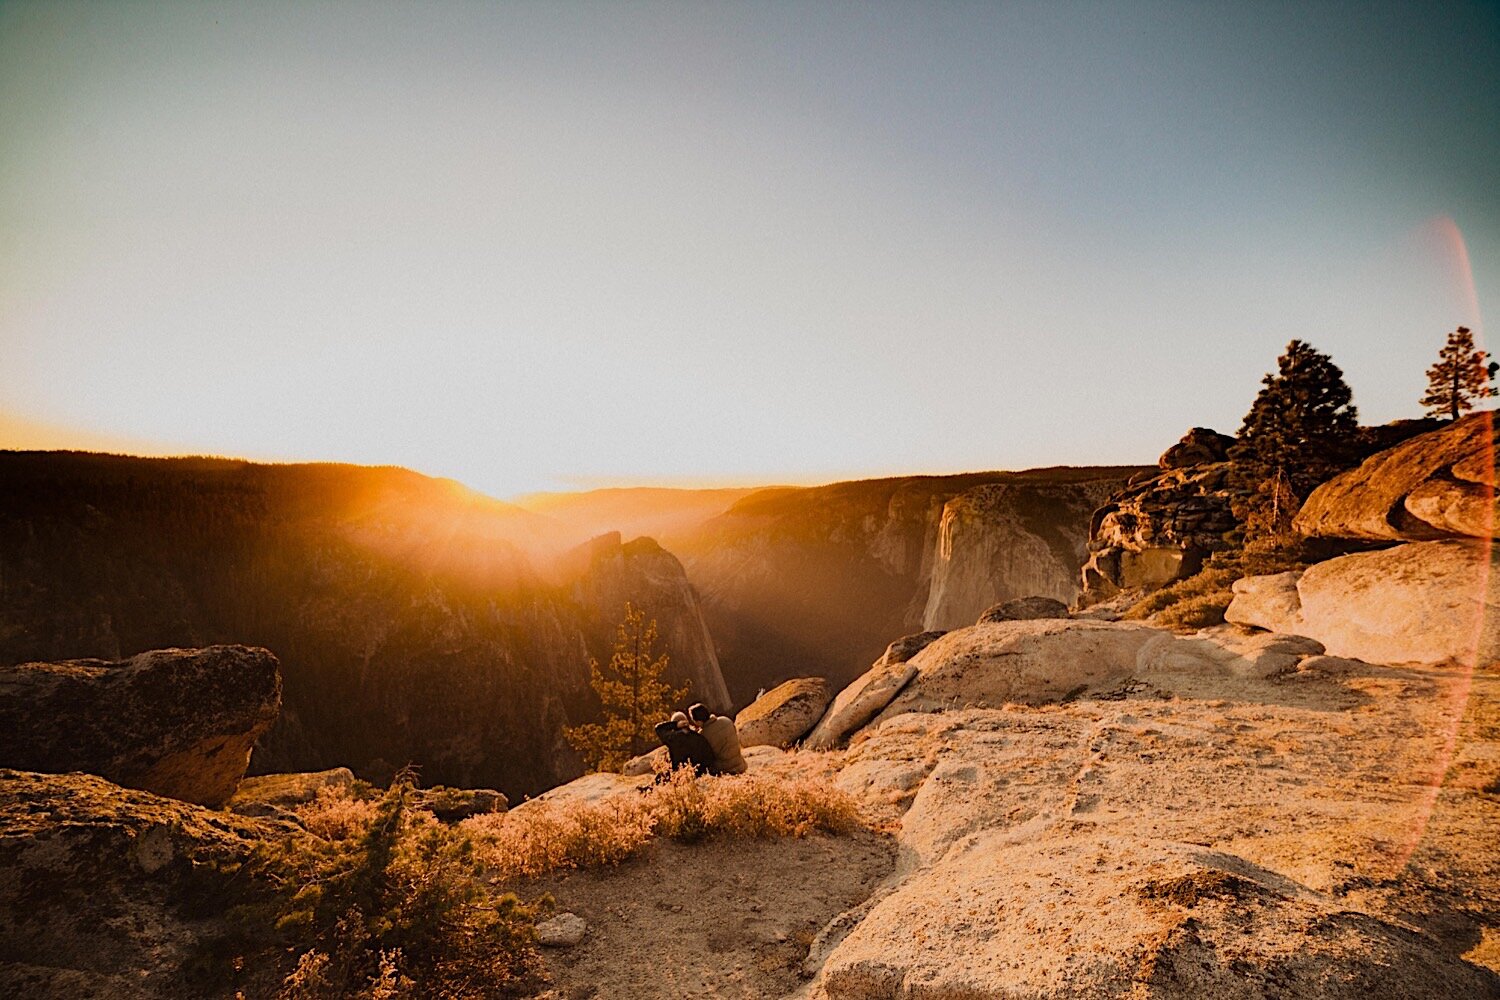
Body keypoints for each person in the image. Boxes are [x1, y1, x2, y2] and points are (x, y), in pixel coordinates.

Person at [653, 711, 717, 778]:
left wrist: (675, 724)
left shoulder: (673, 738)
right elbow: (709, 757)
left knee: (663, 772)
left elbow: (658, 729)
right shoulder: (698, 737)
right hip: (699, 774)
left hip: (680, 775)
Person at [689, 702, 747, 775]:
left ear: (698, 721)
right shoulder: (726, 720)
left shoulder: (703, 735)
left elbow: (706, 757)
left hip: (724, 769)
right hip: (740, 764)